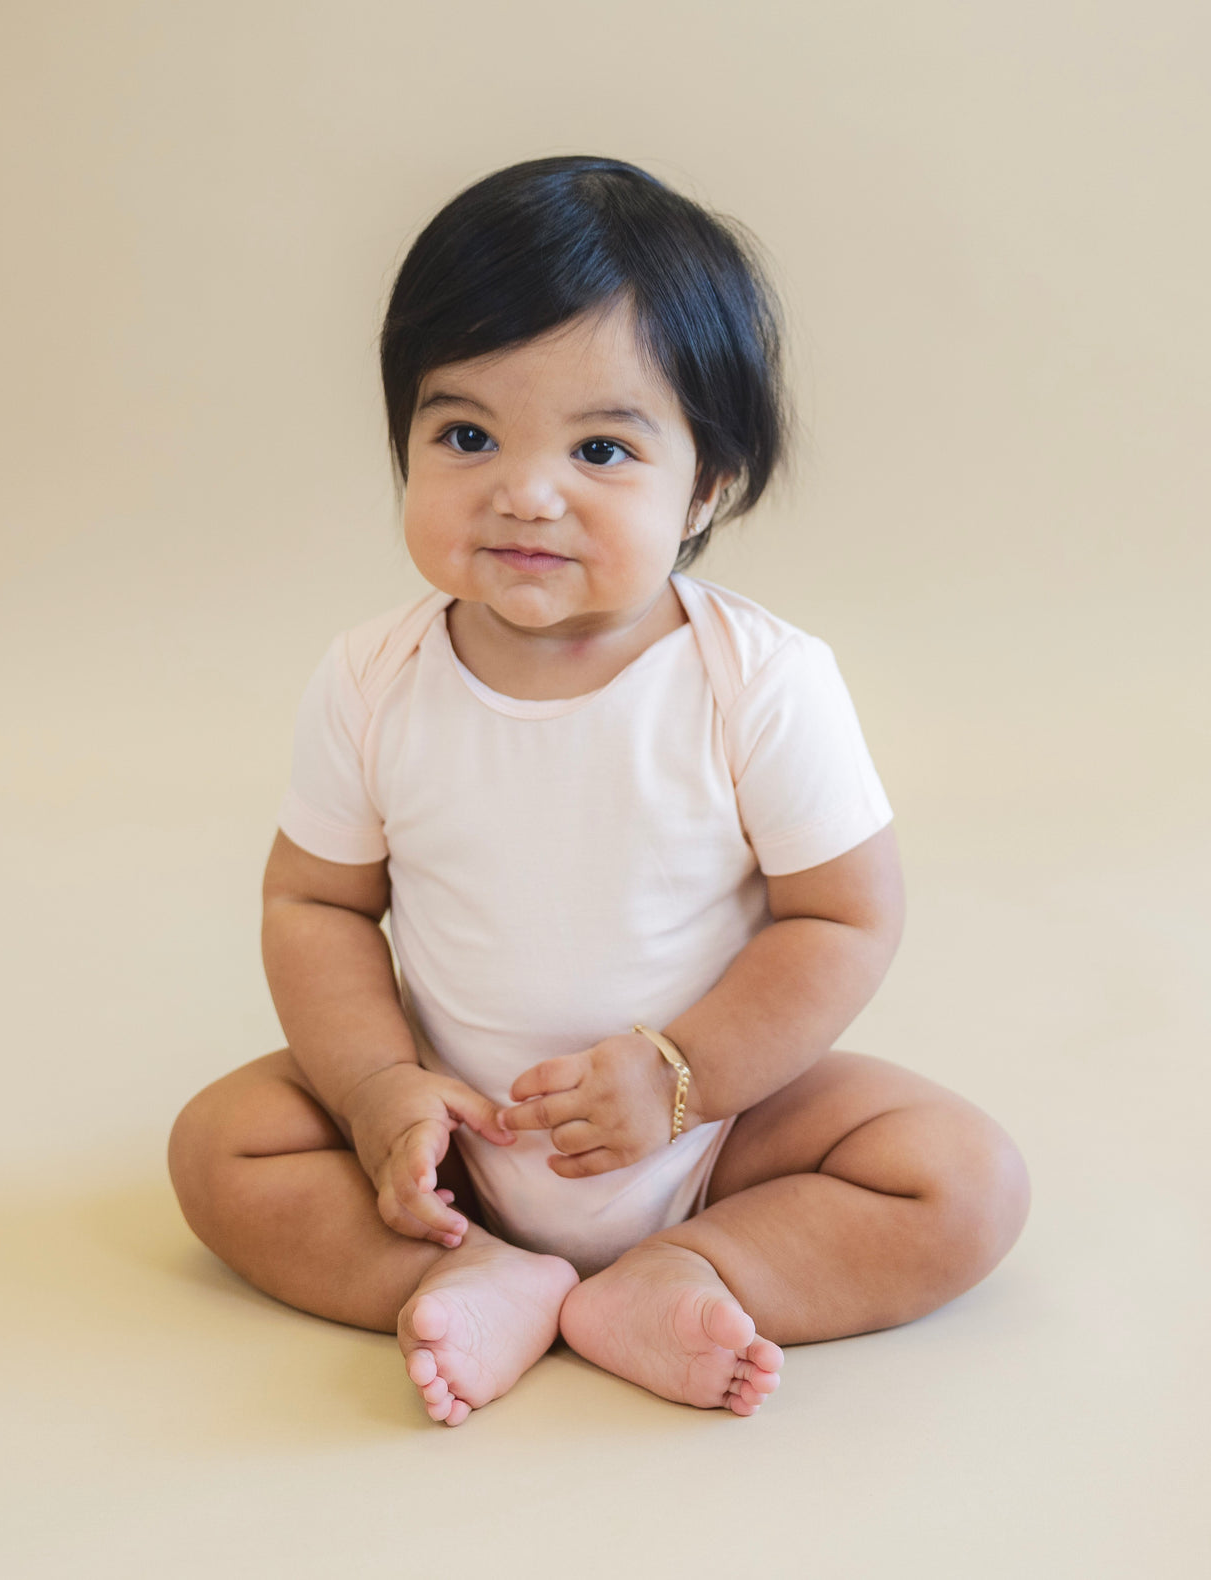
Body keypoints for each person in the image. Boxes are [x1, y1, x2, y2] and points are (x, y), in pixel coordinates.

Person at [168, 155, 1031, 1427]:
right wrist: (374, 1091)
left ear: (709, 485)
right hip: (456, 1130)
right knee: (220, 1143)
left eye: (601, 446)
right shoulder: (372, 677)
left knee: (959, 1177)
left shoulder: (762, 681)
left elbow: (842, 916)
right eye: (465, 434)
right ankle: (470, 1268)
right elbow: (317, 905)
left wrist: (684, 1074)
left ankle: (692, 1266)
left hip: (718, 1129)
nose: (525, 489)